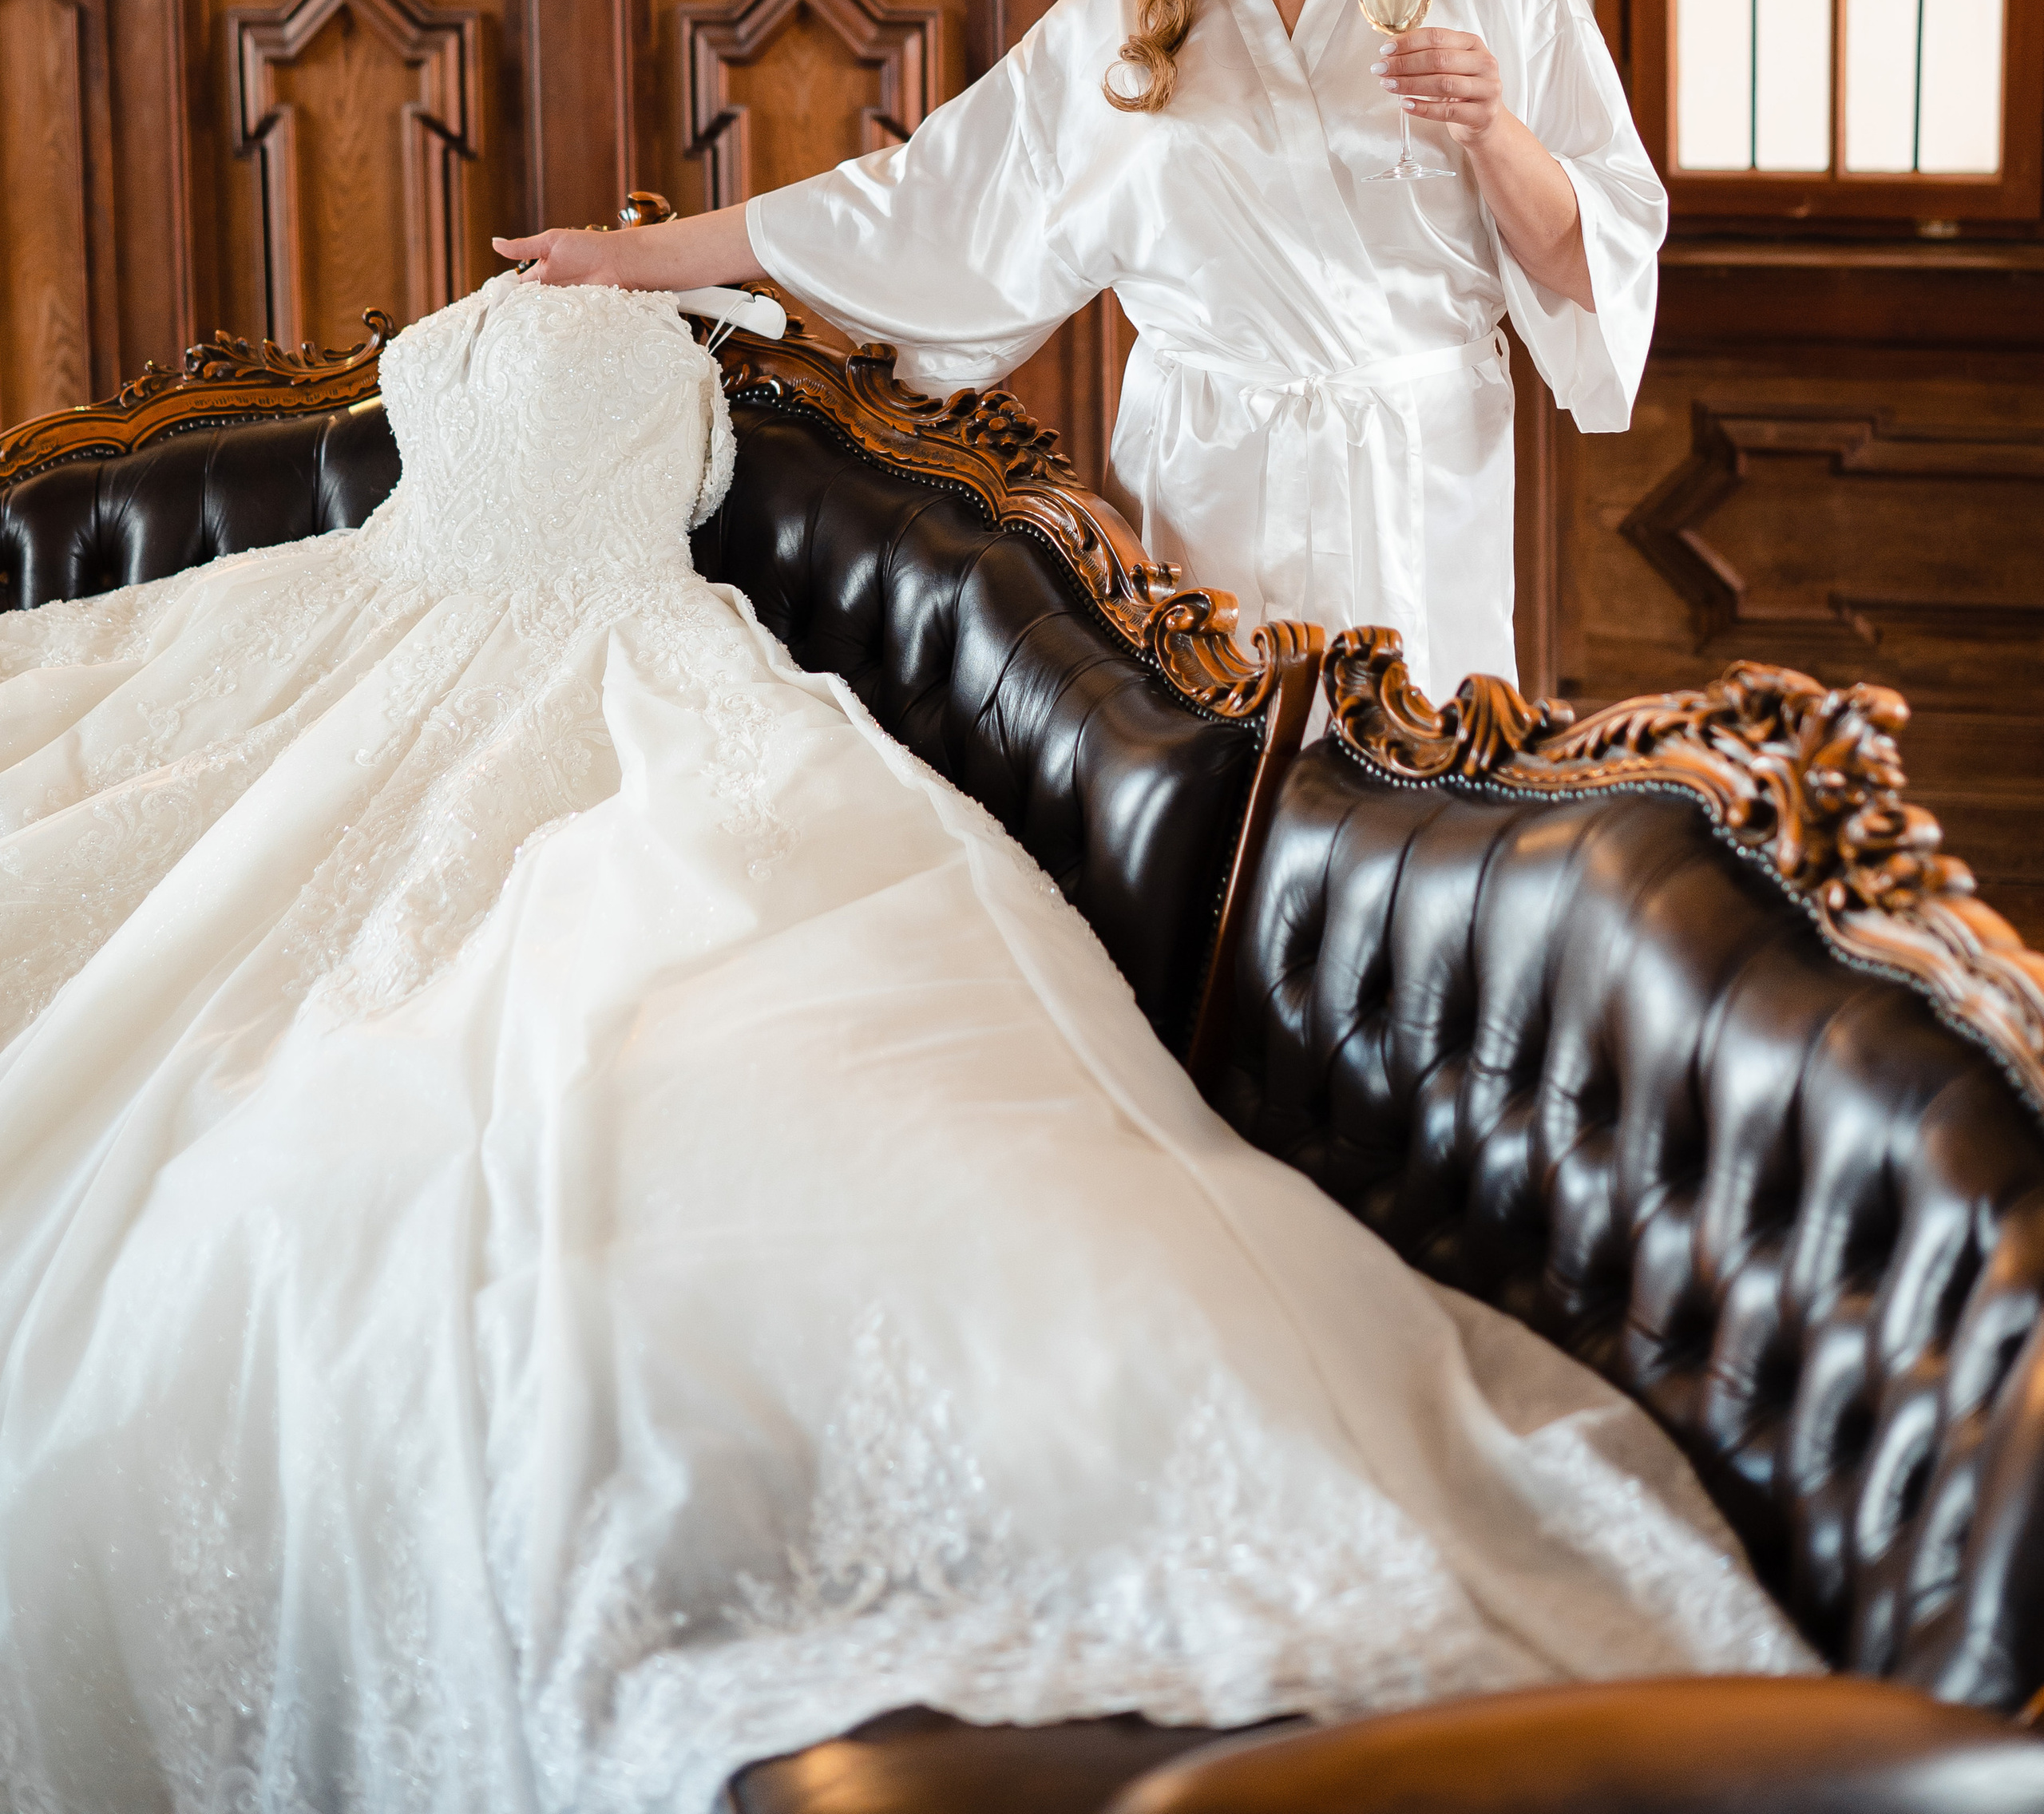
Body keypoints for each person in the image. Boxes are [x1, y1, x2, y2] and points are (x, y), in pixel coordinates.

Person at [0, 273, 1809, 1811]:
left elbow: (951, 231)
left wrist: (726, 266)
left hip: (654, 630)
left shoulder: (723, 335)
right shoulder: (625, 342)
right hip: (416, 621)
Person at [497, 0, 1666, 699]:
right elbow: (917, 202)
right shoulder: (1127, 16)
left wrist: (1490, 128)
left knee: (1421, 808)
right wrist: (630, 256)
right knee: (1221, 829)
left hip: (1429, 470)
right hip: (1212, 491)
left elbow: (1584, 264)